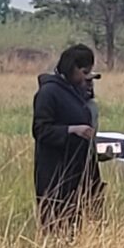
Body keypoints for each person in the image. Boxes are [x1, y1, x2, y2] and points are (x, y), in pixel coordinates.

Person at [31, 43, 107, 234]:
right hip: (56, 175)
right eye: (84, 72)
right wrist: (71, 130)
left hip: (80, 173)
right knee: (58, 228)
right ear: (72, 68)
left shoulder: (75, 92)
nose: (86, 78)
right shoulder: (48, 93)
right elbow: (40, 130)